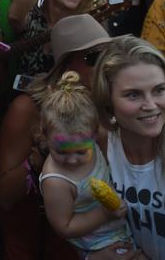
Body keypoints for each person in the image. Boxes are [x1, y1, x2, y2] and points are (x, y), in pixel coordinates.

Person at [0, 14, 112, 260]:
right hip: (34, 239)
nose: (106, 64)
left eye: (109, 55)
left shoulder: (111, 103)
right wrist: (43, 155)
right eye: (94, 58)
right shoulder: (29, 109)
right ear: (66, 67)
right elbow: (4, 196)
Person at [38, 71, 135, 258]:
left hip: (123, 227)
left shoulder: (99, 139)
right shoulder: (56, 181)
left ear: (94, 135)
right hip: (97, 245)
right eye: (61, 151)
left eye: (81, 151)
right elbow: (64, 226)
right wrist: (104, 214)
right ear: (45, 137)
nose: (72, 160)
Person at [91, 36, 165, 260]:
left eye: (159, 90)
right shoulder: (101, 144)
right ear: (108, 102)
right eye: (133, 94)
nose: (151, 105)